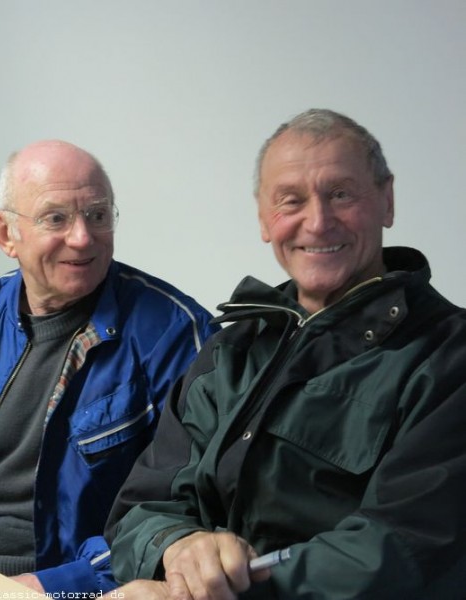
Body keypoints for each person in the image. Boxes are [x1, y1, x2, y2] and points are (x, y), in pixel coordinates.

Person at [105, 109, 466, 599]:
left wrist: (212, 590)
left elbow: (399, 551)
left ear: (387, 200)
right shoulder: (229, 350)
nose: (317, 222)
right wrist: (178, 546)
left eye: (341, 194)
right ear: (263, 219)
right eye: (290, 201)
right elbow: (139, 506)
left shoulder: (449, 357)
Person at [0, 140, 218, 594]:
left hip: (73, 585)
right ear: (5, 234)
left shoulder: (174, 332)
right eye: (56, 218)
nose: (83, 237)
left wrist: (54, 585)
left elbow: (175, 518)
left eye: (98, 215)